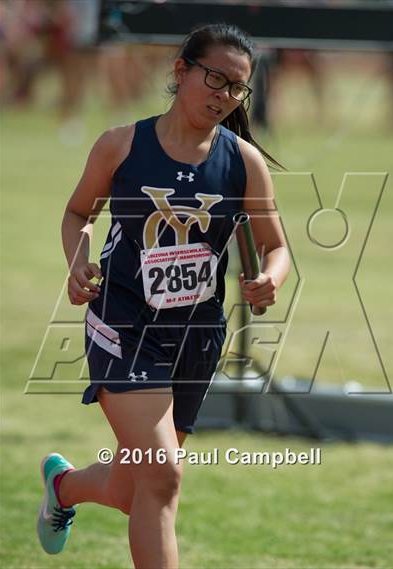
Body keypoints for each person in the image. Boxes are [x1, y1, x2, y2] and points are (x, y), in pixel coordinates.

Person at [36, 23, 290, 569]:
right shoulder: (121, 145)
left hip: (195, 339)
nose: (224, 96)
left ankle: (64, 488)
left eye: (237, 88)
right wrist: (77, 260)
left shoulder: (244, 162)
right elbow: (79, 213)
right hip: (123, 323)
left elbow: (276, 247)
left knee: (136, 493)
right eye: (215, 79)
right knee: (165, 476)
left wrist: (272, 276)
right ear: (181, 71)